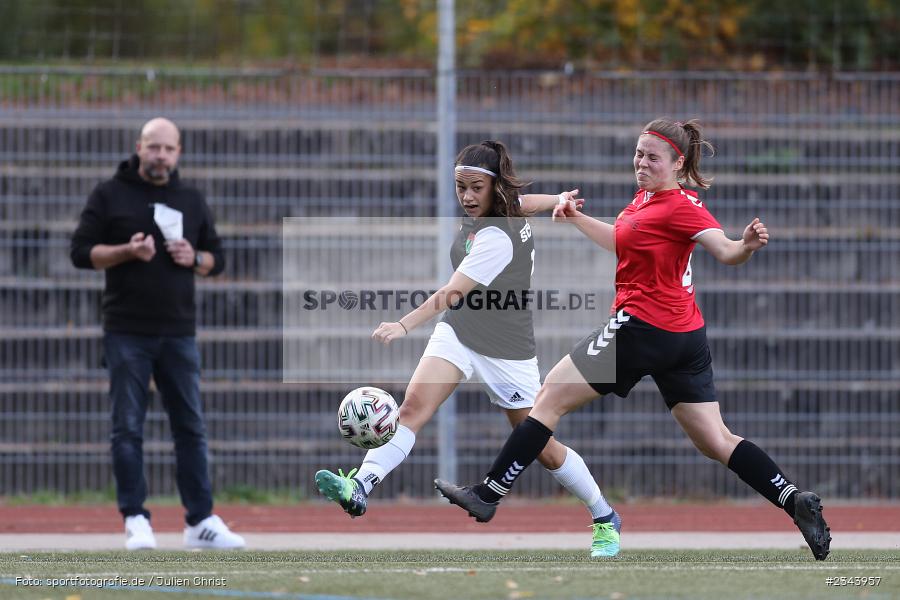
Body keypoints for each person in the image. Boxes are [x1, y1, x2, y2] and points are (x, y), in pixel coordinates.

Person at [435, 119, 832, 561]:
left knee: (547, 398)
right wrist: (577, 217)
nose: (641, 162)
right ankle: (794, 500)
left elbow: (724, 250)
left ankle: (489, 493)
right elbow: (625, 241)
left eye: (652, 157)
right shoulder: (645, 199)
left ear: (678, 163)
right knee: (715, 440)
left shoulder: (682, 206)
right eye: (639, 153)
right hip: (684, 338)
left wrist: (747, 245)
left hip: (642, 327)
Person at [315, 140, 622, 557]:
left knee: (545, 450)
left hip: (507, 351)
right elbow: (524, 201)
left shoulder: (497, 235)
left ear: (494, 189)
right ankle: (360, 487)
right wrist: (559, 199)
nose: (467, 197)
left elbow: (453, 292)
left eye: (476, 188)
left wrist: (404, 324)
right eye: (461, 187)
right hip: (459, 334)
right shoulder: (502, 207)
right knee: (411, 410)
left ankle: (604, 516)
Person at [70, 117, 245, 551]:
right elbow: (79, 253)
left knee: (190, 427)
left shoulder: (190, 198)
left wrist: (195, 258)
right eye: (154, 147)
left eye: (169, 149)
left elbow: (218, 259)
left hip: (179, 332)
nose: (161, 156)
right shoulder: (109, 194)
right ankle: (136, 519)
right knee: (127, 428)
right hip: (126, 331)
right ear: (139, 148)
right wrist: (126, 251)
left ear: (178, 153)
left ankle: (200, 522)